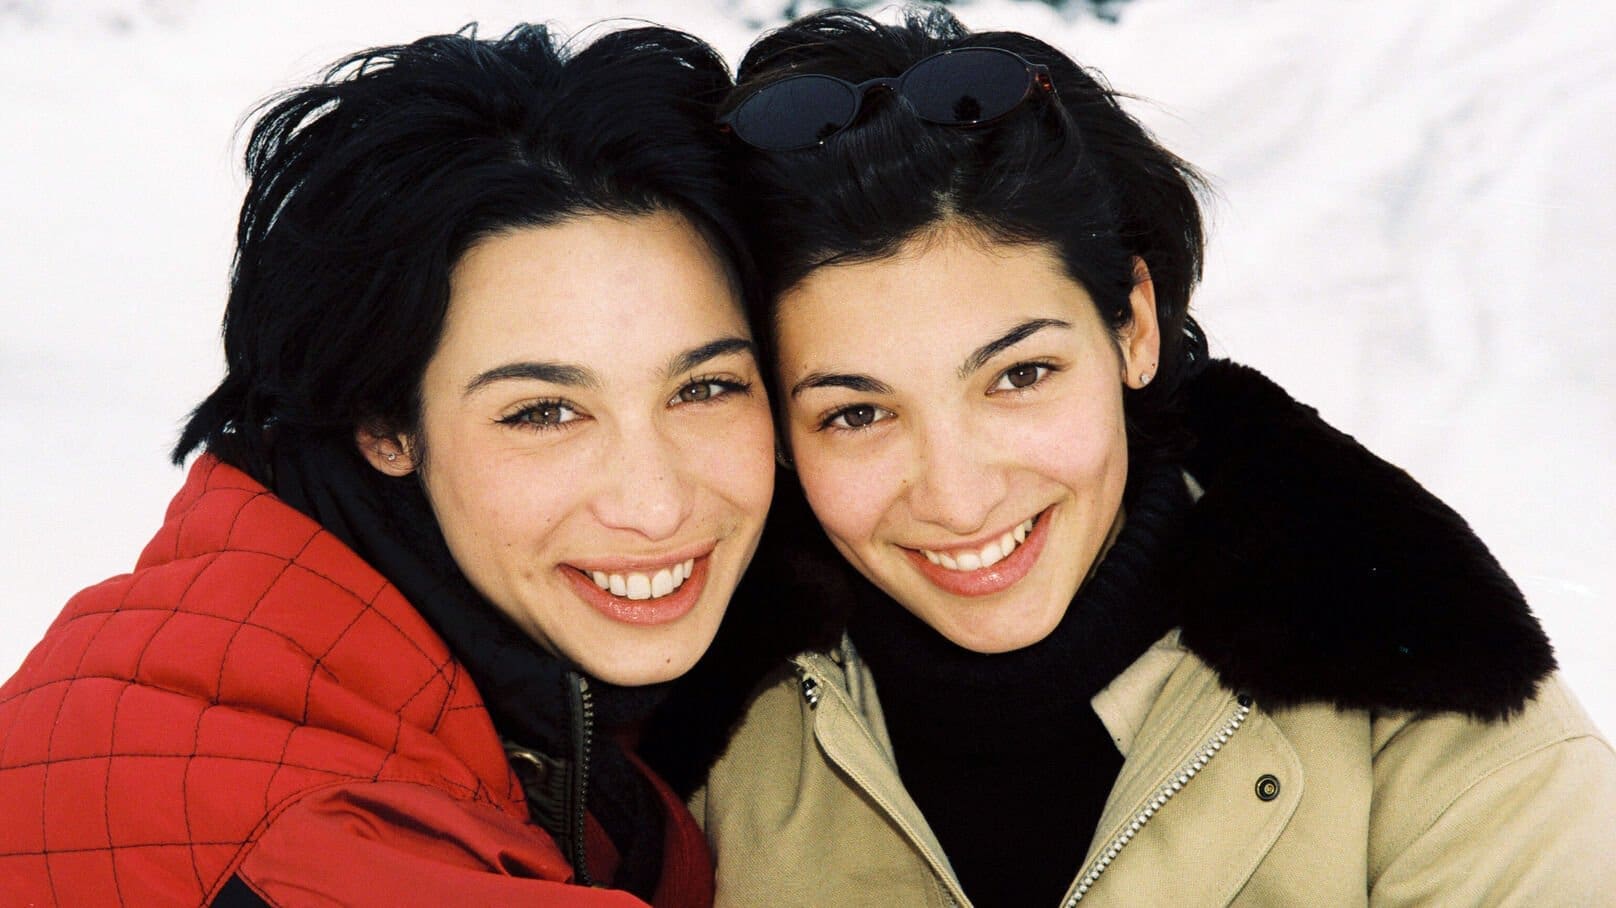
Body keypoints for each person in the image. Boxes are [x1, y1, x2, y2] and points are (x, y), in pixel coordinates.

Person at [682, 8, 1616, 905]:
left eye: (1020, 375)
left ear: (1133, 326)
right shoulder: (687, 741)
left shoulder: (1434, 719)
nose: (959, 498)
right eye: (855, 415)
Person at [0, 23, 774, 908]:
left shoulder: (274, 601)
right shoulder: (324, 849)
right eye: (544, 412)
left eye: (706, 388)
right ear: (384, 425)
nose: (655, 503)